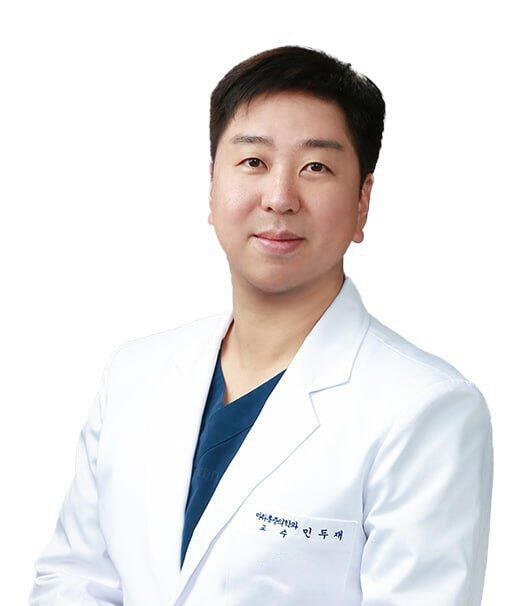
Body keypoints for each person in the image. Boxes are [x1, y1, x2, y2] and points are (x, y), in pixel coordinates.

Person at [29, 45, 493, 606]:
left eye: (316, 167)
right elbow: (74, 581)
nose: (280, 198)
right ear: (211, 185)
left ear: (362, 202)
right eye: (253, 162)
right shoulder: (133, 373)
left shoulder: (427, 409)